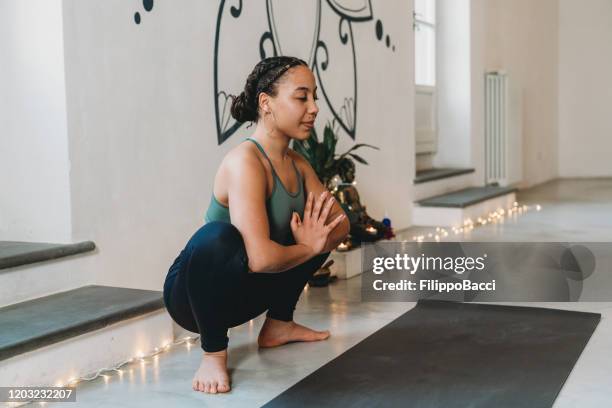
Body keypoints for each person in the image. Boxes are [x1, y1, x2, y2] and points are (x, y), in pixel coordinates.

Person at [162, 56, 351, 394]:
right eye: (301, 97)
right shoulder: (244, 162)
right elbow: (261, 258)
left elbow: (340, 224)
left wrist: (314, 240)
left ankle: (278, 325)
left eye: (315, 97)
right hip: (194, 299)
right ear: (266, 103)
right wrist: (308, 246)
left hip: (247, 294)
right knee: (216, 237)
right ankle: (213, 352)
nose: (314, 108)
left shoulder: (297, 164)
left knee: (319, 228)